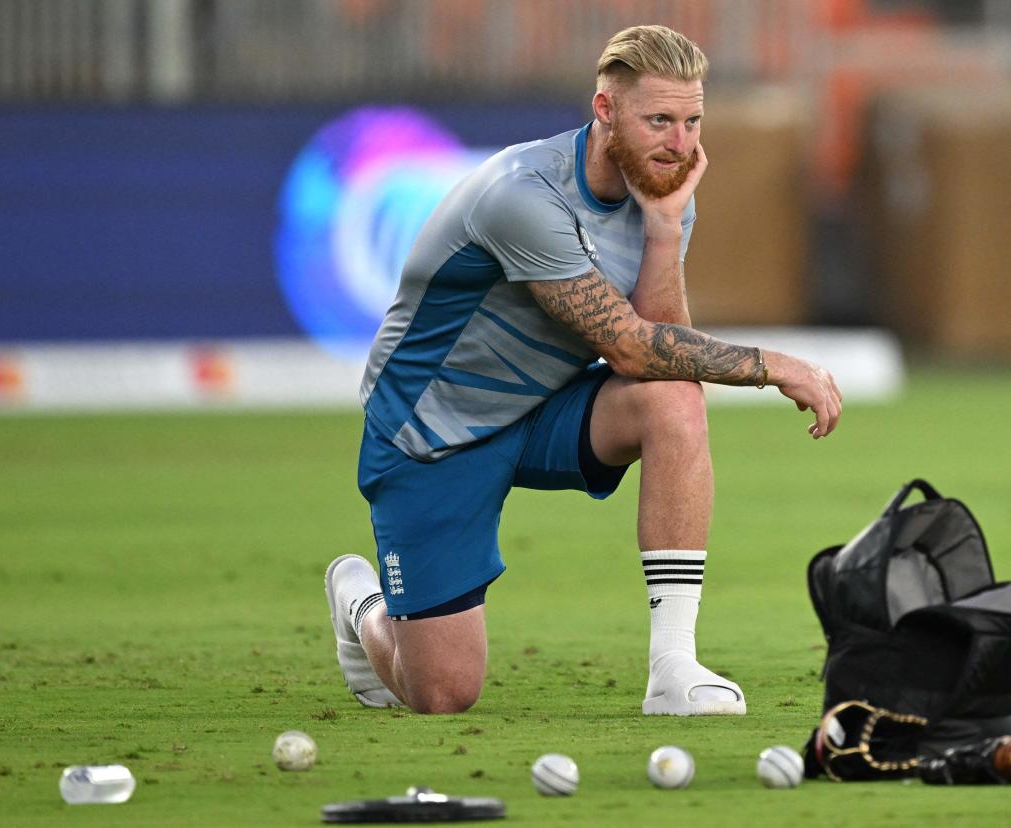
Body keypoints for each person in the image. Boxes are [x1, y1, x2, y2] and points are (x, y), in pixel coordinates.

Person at [324, 24, 842, 716]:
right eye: (659, 119)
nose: (681, 143)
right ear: (605, 111)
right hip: (431, 431)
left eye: (692, 122)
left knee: (673, 399)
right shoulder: (524, 195)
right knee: (444, 694)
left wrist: (663, 228)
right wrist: (771, 365)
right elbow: (629, 348)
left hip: (540, 407)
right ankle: (362, 606)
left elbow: (662, 343)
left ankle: (673, 668)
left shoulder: (664, 188)